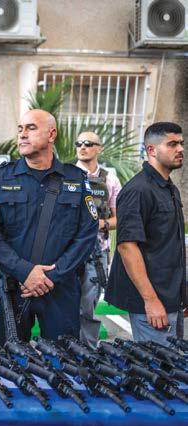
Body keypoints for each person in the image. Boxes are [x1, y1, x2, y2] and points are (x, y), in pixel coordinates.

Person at [0, 109, 98, 344]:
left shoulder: (75, 179)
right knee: (7, 360)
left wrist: (51, 276)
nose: (22, 134)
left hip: (59, 289)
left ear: (52, 134)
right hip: (12, 287)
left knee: (62, 359)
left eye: (31, 128)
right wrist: (25, 272)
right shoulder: (2, 178)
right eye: (20, 129)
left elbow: (86, 236)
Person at [106, 122, 185, 345]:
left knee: (173, 361)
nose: (180, 149)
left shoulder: (169, 188)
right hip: (152, 301)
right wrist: (150, 300)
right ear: (151, 150)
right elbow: (127, 247)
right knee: (158, 363)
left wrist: (182, 294)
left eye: (181, 143)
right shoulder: (138, 190)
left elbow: (169, 244)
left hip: (171, 297)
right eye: (172, 144)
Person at [75, 131, 122, 349]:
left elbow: (120, 217)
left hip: (97, 252)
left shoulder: (110, 179)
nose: (82, 147)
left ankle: (87, 351)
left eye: (88, 143)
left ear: (99, 148)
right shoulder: (66, 175)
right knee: (64, 303)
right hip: (68, 250)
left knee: (88, 304)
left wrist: (100, 224)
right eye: (79, 143)